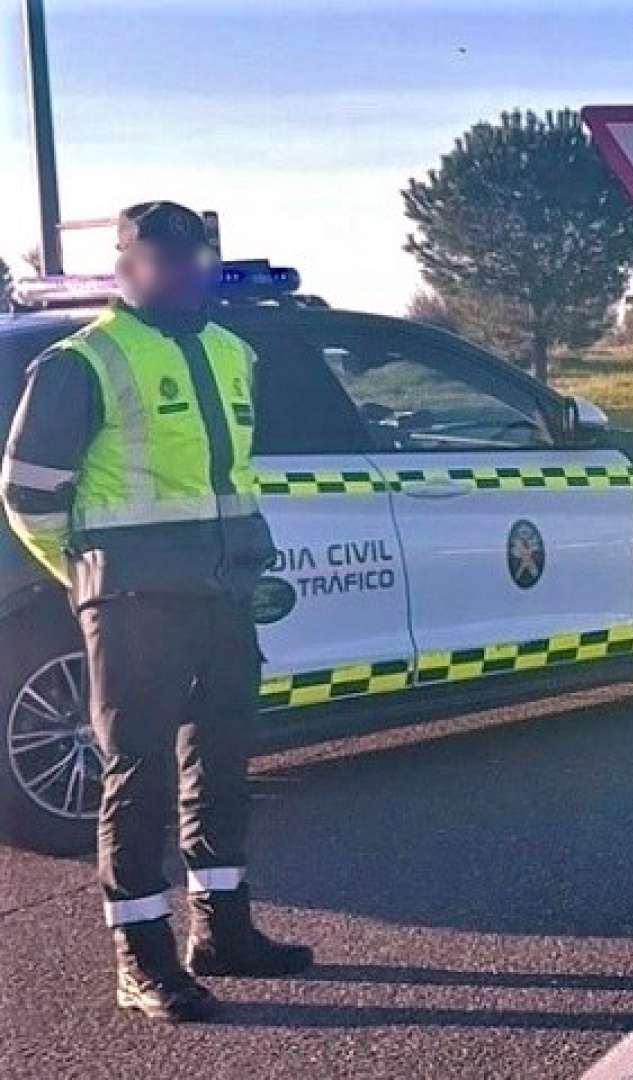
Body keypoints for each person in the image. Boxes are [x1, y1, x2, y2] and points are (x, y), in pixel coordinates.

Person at [2, 202, 311, 1023]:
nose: (182, 273)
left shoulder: (229, 351)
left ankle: (222, 931)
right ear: (125, 266)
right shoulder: (84, 361)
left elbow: (230, 474)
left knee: (220, 762)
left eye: (194, 259)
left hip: (222, 595)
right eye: (162, 259)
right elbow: (28, 494)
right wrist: (89, 577)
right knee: (137, 779)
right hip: (135, 604)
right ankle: (141, 963)